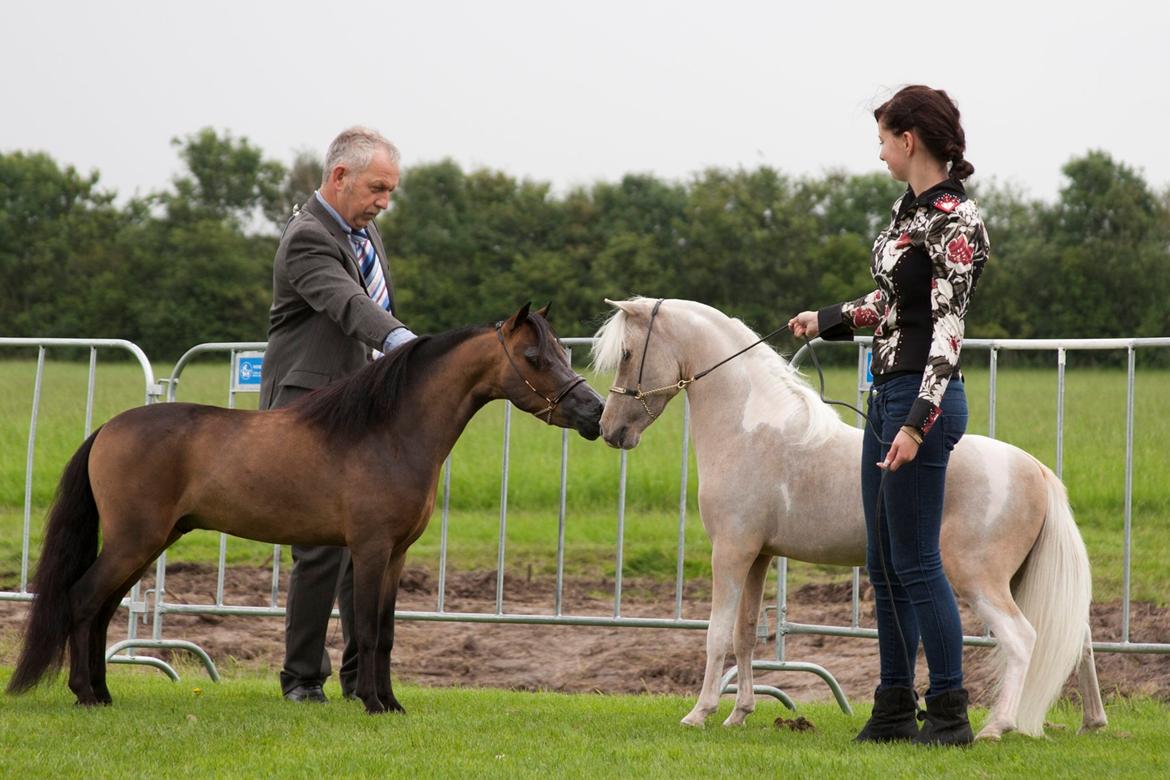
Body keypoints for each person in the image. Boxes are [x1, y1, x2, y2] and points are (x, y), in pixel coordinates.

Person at [788, 85, 989, 746]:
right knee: (884, 563)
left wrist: (914, 424)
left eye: (882, 140)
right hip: (888, 394)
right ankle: (895, 705)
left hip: (920, 401)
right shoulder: (909, 214)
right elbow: (893, 302)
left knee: (916, 561)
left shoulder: (957, 220)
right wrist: (831, 319)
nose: (879, 155)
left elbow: (948, 331)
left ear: (910, 140)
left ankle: (951, 712)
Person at [259, 126, 417, 703]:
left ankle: (361, 679)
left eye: (391, 191)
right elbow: (349, 305)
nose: (384, 201)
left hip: (359, 408)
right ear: (339, 176)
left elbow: (372, 303)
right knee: (320, 549)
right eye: (377, 188)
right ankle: (302, 677)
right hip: (307, 408)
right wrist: (404, 342)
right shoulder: (308, 236)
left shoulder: (364, 230)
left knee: (365, 548)